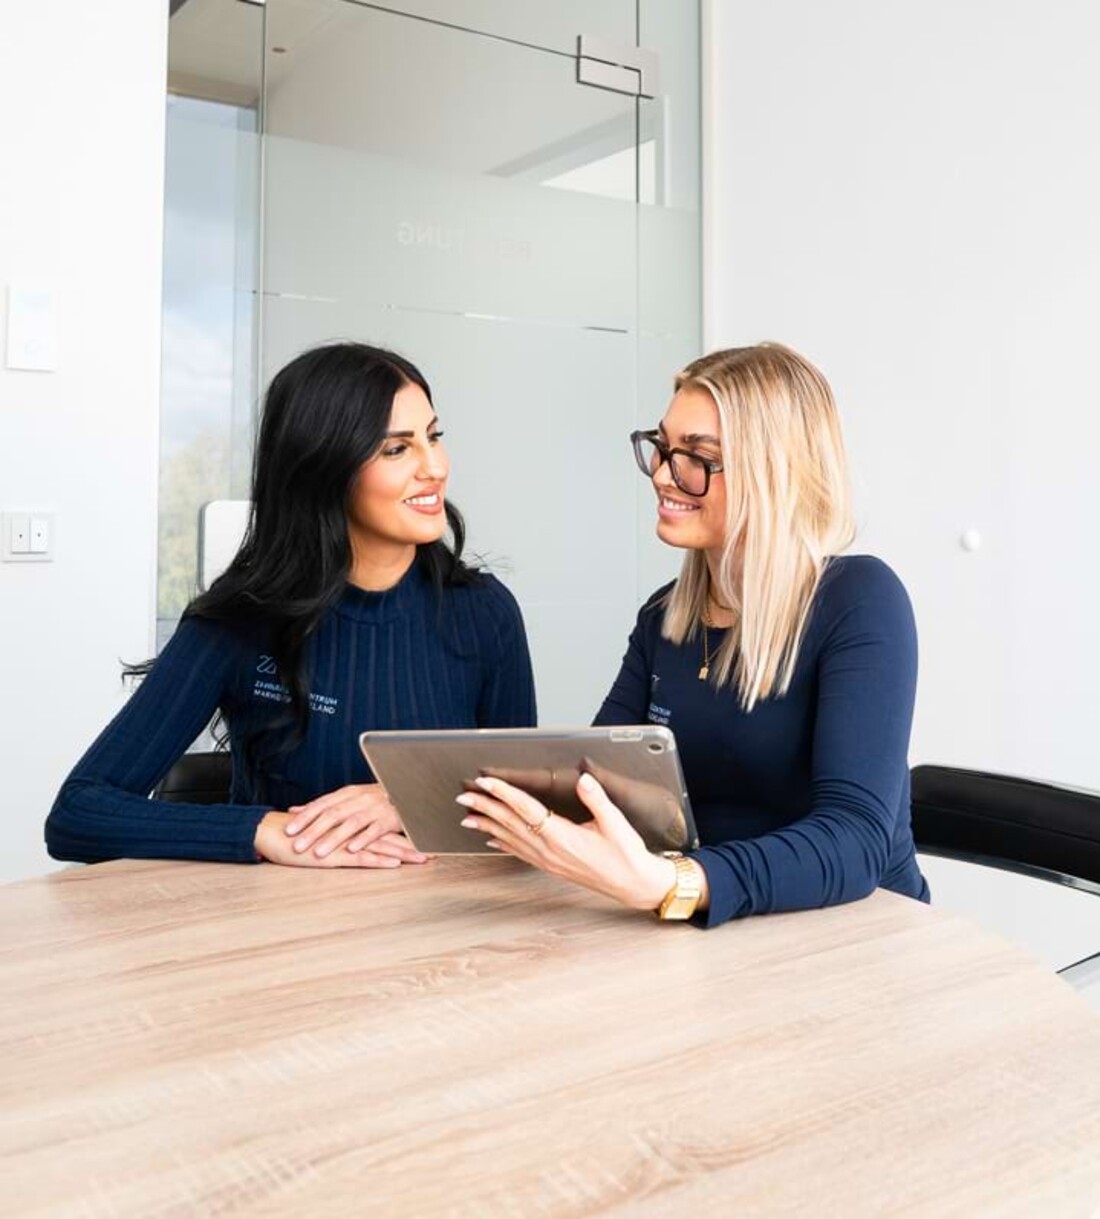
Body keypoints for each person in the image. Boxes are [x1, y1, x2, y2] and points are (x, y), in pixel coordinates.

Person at [456, 343, 929, 926]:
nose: (662, 474)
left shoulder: (858, 599)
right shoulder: (666, 616)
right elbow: (596, 784)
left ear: (772, 473)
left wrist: (673, 883)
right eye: (661, 448)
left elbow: (855, 842)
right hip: (725, 929)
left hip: (860, 935)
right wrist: (428, 803)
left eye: (696, 457)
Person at [46, 342, 535, 868]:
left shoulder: (486, 613)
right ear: (325, 468)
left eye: (433, 437)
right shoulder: (237, 623)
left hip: (444, 932)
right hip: (277, 929)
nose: (434, 467)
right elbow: (78, 813)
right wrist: (260, 829)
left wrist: (405, 798)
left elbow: (524, 805)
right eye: (397, 449)